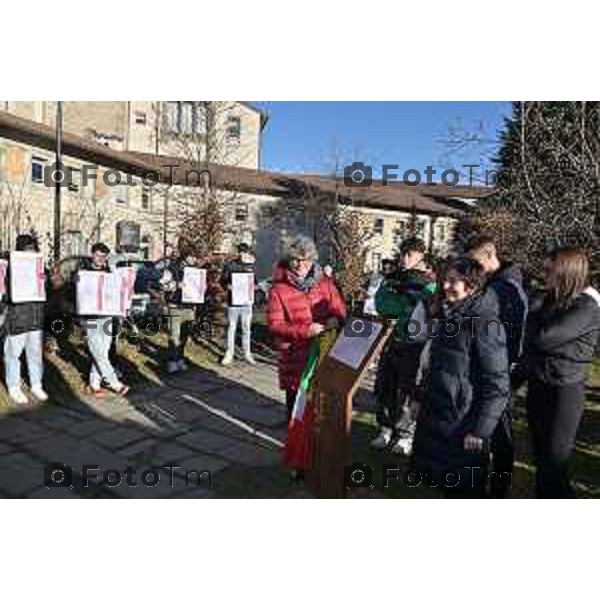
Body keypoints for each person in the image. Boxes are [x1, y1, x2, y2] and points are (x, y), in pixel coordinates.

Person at [412, 257, 510, 498]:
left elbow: (498, 384)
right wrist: (418, 397)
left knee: (466, 492)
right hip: (442, 417)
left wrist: (481, 430)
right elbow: (433, 365)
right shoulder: (449, 316)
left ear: (472, 286)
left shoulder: (486, 324)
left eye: (453, 281)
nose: (445, 286)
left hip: (465, 424)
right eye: (444, 280)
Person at [513, 247, 600, 498]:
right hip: (539, 385)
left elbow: (543, 338)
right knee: (542, 461)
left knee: (554, 463)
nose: (544, 275)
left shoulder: (586, 307)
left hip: (564, 392)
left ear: (566, 272)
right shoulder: (551, 300)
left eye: (549, 270)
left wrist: (532, 319)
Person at [466, 233, 528, 497]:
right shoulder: (496, 284)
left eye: (476, 261)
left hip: (497, 371)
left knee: (499, 437)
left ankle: (498, 490)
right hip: (491, 367)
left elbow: (509, 335)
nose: (473, 268)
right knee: (492, 434)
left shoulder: (506, 290)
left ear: (490, 256)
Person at [267, 235, 347, 423]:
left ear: (313, 259)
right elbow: (275, 324)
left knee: (321, 405)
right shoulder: (278, 289)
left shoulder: (326, 283)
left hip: (323, 351)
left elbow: (340, 309)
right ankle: (295, 447)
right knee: (296, 408)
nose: (300, 264)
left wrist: (336, 319)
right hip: (295, 356)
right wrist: (306, 330)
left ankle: (317, 446)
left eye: (305, 259)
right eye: (295, 259)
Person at [371, 238, 436, 454]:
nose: (405, 259)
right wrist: (403, 303)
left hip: (414, 344)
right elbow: (381, 303)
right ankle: (385, 428)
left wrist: (402, 305)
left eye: (410, 254)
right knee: (385, 386)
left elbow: (418, 314)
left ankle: (405, 435)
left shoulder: (429, 284)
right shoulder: (393, 279)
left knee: (408, 390)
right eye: (403, 254)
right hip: (391, 341)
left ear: (421, 256)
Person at [1, 234, 48, 404]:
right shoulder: (10, 265)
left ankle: (36, 383)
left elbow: (46, 288)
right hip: (17, 316)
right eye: (28, 249)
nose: (31, 252)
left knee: (35, 353)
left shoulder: (39, 264)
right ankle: (13, 386)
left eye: (33, 249)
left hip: (35, 316)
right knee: (13, 353)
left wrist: (45, 279)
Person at [78, 242, 130, 398]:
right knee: (97, 351)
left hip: (107, 316)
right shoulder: (83, 271)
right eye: (99, 255)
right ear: (92, 254)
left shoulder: (109, 272)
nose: (101, 259)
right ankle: (115, 383)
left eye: (104, 256)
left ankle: (94, 384)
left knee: (103, 351)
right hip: (91, 317)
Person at [159, 244, 200, 374]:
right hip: (175, 306)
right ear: (186, 257)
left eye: (195, 257)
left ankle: (180, 358)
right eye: (193, 257)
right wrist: (176, 285)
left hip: (189, 307)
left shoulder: (195, 271)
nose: (195, 260)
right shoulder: (172, 268)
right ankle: (172, 361)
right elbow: (163, 285)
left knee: (184, 335)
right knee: (174, 336)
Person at [220, 242, 258, 366]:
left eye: (245, 252)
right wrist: (227, 286)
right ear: (238, 252)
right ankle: (229, 353)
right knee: (232, 327)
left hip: (247, 302)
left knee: (247, 328)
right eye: (241, 252)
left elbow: (254, 281)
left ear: (247, 252)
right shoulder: (230, 265)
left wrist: (255, 287)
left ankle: (247, 353)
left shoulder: (251, 265)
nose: (243, 254)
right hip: (233, 302)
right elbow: (222, 281)